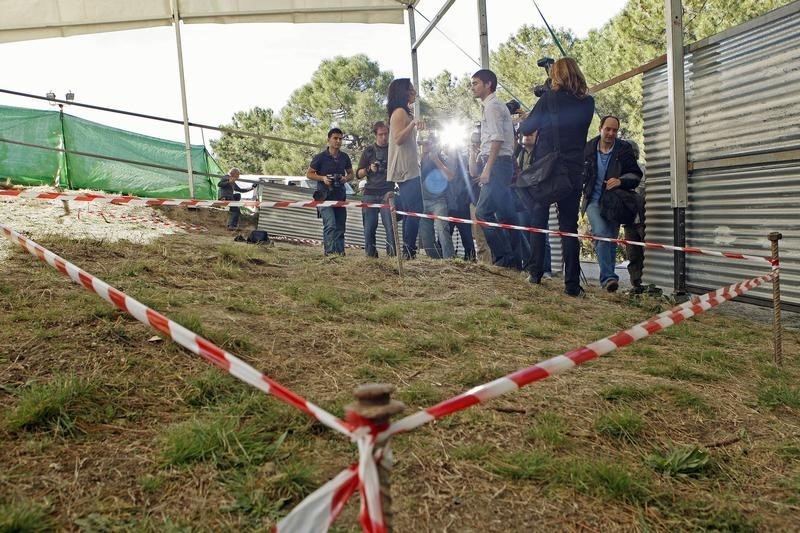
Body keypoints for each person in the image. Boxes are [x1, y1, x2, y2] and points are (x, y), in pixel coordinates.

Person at [519, 57, 595, 297]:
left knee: (538, 220)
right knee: (568, 227)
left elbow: (527, 128)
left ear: (556, 76)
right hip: (573, 169)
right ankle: (572, 284)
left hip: (547, 168)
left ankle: (535, 272)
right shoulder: (588, 103)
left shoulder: (548, 99)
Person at [581, 115, 643, 292]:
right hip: (593, 201)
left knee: (611, 239)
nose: (610, 133)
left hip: (615, 203)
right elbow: (579, 172)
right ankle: (608, 278)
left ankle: (609, 281)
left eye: (614, 130)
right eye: (607, 129)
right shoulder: (589, 147)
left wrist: (621, 181)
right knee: (601, 233)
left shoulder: (624, 149)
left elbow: (635, 175)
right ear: (600, 128)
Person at [471, 69, 521, 269]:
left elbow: (498, 139)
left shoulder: (492, 106)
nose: (472, 87)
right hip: (500, 164)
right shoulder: (493, 106)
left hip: (497, 164)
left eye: (475, 83)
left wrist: (487, 170)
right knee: (509, 217)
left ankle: (503, 258)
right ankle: (517, 262)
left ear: (488, 84)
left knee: (482, 213)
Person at [386, 78, 424, 259]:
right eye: (411, 90)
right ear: (403, 92)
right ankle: (409, 250)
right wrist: (412, 124)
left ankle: (409, 249)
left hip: (410, 166)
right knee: (414, 209)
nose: (414, 93)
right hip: (404, 168)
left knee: (413, 208)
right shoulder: (399, 112)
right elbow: (398, 139)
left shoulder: (403, 112)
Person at [307, 128, 354, 256]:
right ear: (328, 140)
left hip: (340, 196)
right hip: (323, 197)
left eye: (340, 139)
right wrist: (323, 178)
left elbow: (351, 174)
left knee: (340, 226)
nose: (338, 141)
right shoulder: (320, 157)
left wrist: (345, 178)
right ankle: (329, 254)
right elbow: (309, 174)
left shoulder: (344, 157)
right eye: (335, 138)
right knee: (331, 224)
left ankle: (339, 255)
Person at [356, 121, 395, 257]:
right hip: (370, 194)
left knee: (391, 228)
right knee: (369, 228)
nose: (384, 137)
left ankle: (392, 257)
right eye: (381, 134)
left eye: (386, 134)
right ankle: (371, 257)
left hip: (387, 193)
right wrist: (369, 169)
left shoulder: (394, 150)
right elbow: (358, 174)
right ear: (375, 135)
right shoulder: (368, 151)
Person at [516, 132, 552, 277]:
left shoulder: (541, 152)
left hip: (538, 197)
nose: (527, 135)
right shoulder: (518, 152)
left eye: (531, 133)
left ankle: (546, 269)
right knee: (525, 234)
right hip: (522, 198)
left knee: (541, 234)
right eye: (525, 133)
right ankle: (530, 267)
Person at [419, 137, 456, 259]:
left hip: (438, 201)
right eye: (425, 145)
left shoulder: (443, 157)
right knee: (426, 238)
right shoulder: (421, 159)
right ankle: (436, 260)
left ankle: (449, 261)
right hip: (423, 200)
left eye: (429, 145)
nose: (427, 147)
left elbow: (450, 176)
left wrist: (436, 160)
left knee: (443, 232)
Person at [622, 140, 646, 293]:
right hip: (629, 220)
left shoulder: (644, 169)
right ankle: (636, 285)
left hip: (645, 220)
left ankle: (650, 284)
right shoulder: (621, 172)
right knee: (633, 254)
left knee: (648, 253)